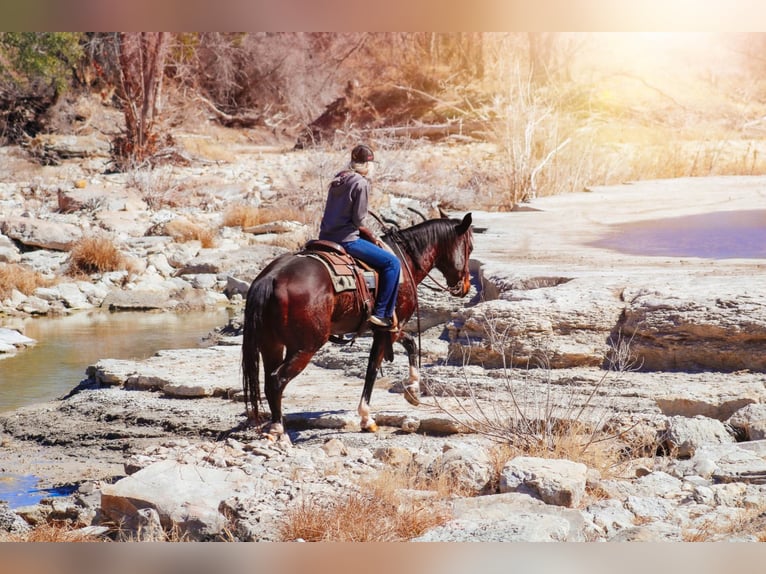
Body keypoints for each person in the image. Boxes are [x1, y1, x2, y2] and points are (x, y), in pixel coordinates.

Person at [319, 144, 400, 329]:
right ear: (368, 165)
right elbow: (358, 219)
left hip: (325, 236)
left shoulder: (339, 178)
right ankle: (382, 314)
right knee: (392, 263)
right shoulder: (361, 182)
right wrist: (370, 233)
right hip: (346, 239)